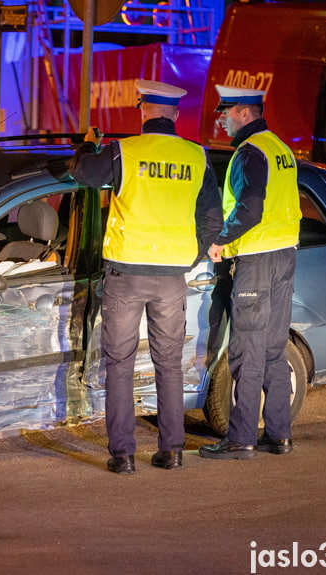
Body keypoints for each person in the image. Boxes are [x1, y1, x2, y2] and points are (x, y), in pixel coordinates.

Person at [70, 79, 223, 474]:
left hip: (127, 273)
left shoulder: (125, 151)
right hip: (173, 276)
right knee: (169, 363)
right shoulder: (196, 156)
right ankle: (171, 450)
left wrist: (89, 144)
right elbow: (211, 217)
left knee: (119, 364)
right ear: (174, 114)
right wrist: (189, 257)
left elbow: (84, 174)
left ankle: (122, 455)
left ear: (143, 111)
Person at [198, 85, 302, 460]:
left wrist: (220, 241)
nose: (221, 120)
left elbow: (251, 208)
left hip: (257, 260)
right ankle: (279, 435)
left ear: (244, 112)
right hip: (285, 257)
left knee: (246, 351)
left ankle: (241, 439)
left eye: (224, 113)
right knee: (274, 349)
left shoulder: (249, 152)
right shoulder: (280, 148)